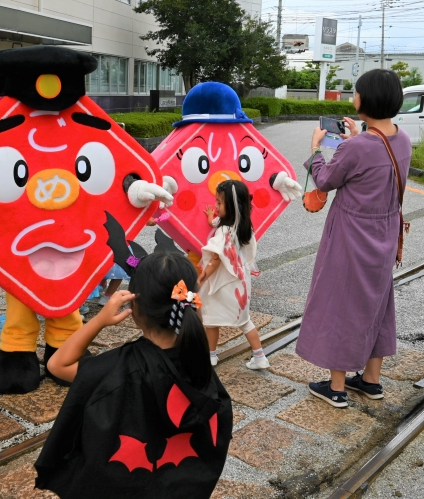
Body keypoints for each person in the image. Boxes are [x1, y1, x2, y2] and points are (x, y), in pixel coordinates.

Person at [35, 251, 232, 499]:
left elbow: (57, 364)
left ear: (134, 306)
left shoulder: (116, 368)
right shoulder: (198, 362)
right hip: (181, 486)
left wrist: (99, 320)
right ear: (192, 303)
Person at [296, 68, 411, 409]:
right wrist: (358, 137)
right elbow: (376, 160)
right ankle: (371, 380)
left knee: (341, 302)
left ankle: (336, 387)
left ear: (365, 100)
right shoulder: (401, 139)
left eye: (356, 92)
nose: (353, 97)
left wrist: (316, 148)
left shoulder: (359, 146)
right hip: (386, 231)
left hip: (351, 234)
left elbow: (326, 180)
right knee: (378, 301)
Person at [197, 180, 267, 370]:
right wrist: (212, 218)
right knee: (244, 321)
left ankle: (211, 356)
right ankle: (260, 356)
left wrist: (203, 276)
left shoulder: (224, 231)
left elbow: (216, 258)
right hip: (240, 283)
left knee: (211, 319)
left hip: (222, 281)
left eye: (219, 203)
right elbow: (218, 222)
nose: (216, 206)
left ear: (232, 206)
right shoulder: (243, 227)